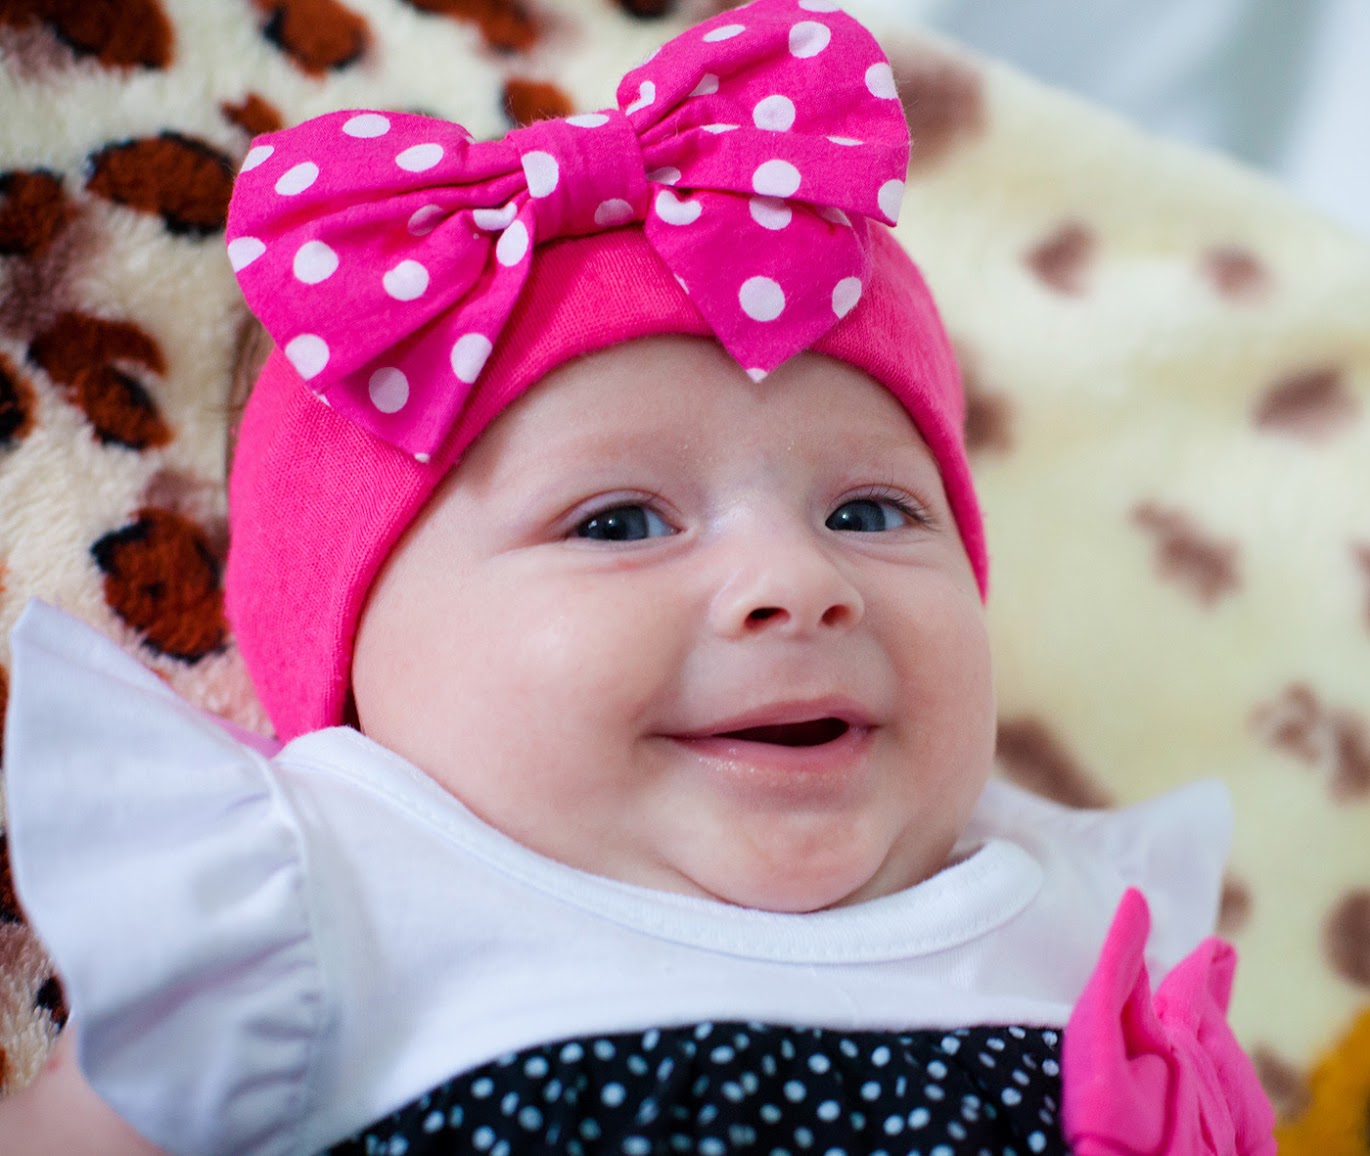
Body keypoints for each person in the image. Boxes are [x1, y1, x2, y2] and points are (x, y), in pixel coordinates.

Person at [1, 1, 1275, 1152]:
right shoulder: (315, 905)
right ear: (349, 662)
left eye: (871, 510)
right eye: (616, 523)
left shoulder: (1078, 919)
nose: (797, 579)